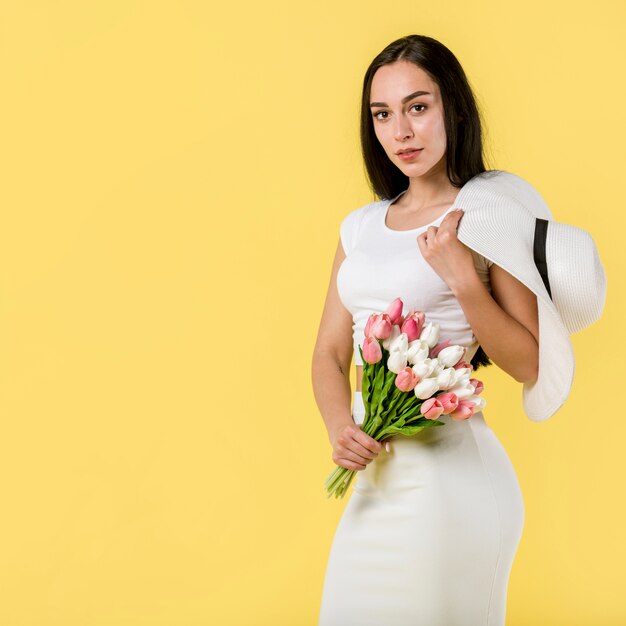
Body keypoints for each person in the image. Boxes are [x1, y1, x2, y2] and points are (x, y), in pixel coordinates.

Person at [312, 34, 536, 626]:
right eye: (382, 114)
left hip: (451, 485)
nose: (400, 132)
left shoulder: (488, 216)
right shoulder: (359, 228)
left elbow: (529, 364)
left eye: (418, 107)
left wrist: (465, 280)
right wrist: (341, 427)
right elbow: (330, 354)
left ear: (452, 109)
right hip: (376, 481)